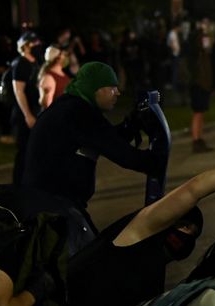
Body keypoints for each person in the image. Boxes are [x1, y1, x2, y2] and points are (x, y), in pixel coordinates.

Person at [66, 162, 215, 306]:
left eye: (194, 233)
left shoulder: (155, 270)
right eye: (183, 225)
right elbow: (196, 188)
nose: (187, 235)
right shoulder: (138, 231)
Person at [21, 61, 160, 243]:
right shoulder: (79, 113)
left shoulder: (70, 107)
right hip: (55, 209)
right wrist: (157, 159)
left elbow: (104, 139)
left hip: (45, 203)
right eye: (112, 87)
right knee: (89, 261)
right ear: (96, 89)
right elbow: (124, 156)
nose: (117, 92)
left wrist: (133, 124)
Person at [10, 31, 41, 185]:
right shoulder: (20, 63)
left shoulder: (34, 62)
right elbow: (18, 91)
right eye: (34, 43)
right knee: (23, 152)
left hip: (35, 112)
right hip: (23, 115)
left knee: (34, 151)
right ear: (26, 45)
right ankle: (18, 186)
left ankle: (31, 184)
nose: (37, 45)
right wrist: (27, 115)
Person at [188, 24, 215, 153]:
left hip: (202, 85)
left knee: (200, 113)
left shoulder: (201, 53)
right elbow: (200, 71)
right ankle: (196, 139)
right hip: (199, 85)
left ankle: (199, 138)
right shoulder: (197, 53)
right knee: (198, 112)